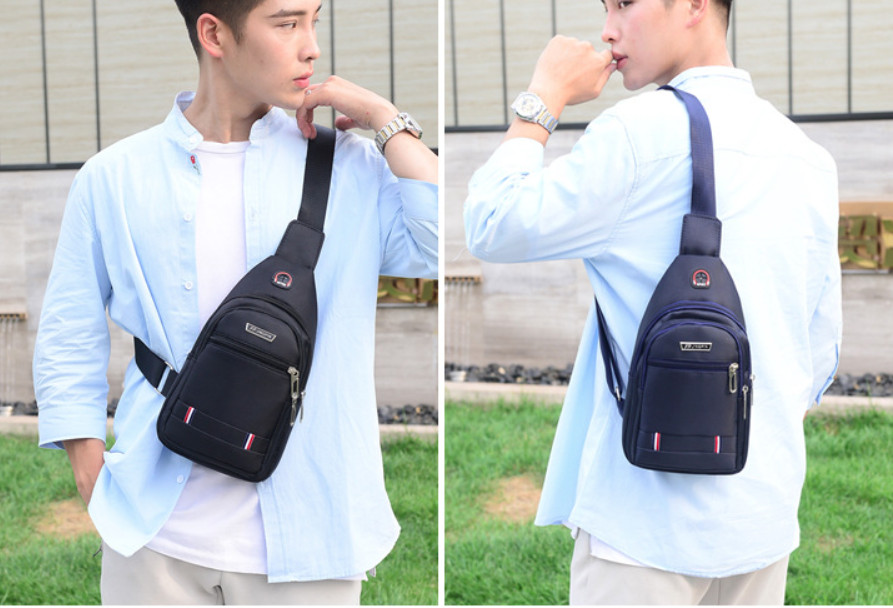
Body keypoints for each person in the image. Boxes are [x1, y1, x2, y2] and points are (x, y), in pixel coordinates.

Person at [33, 0, 437, 604]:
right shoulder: (114, 177)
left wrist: (385, 120)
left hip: (311, 539)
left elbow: (439, 246)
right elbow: (69, 331)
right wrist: (90, 473)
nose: (311, 46)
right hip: (155, 538)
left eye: (315, 21)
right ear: (215, 34)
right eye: (287, 23)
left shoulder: (347, 165)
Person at [464, 0, 840, 604]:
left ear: (693, 5)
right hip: (762, 517)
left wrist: (543, 97)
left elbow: (492, 223)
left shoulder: (636, 135)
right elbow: (819, 350)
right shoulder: (807, 157)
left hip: (643, 527)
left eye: (624, 4)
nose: (607, 28)